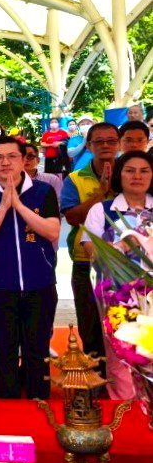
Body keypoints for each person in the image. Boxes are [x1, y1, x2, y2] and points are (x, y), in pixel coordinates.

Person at [0, 135, 60, 399]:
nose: (5, 162)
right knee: (3, 352)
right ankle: (6, 406)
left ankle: (38, 404)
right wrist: (4, 207)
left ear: (24, 160)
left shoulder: (43, 192)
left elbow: (52, 231)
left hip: (39, 284)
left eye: (12, 156)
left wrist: (19, 206)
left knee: (37, 351)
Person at [80, 150, 153, 399]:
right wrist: (124, 243)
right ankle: (125, 411)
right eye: (129, 170)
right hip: (118, 296)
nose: (137, 176)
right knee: (121, 357)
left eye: (144, 171)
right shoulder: (102, 211)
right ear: (119, 175)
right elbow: (92, 251)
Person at [60, 122, 120, 361]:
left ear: (118, 144)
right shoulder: (75, 179)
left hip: (127, 265)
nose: (105, 146)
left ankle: (126, 381)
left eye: (111, 141)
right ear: (90, 145)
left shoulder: (131, 175)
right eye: (99, 141)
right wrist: (101, 194)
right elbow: (72, 217)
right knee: (90, 325)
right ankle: (95, 380)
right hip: (86, 263)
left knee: (125, 325)